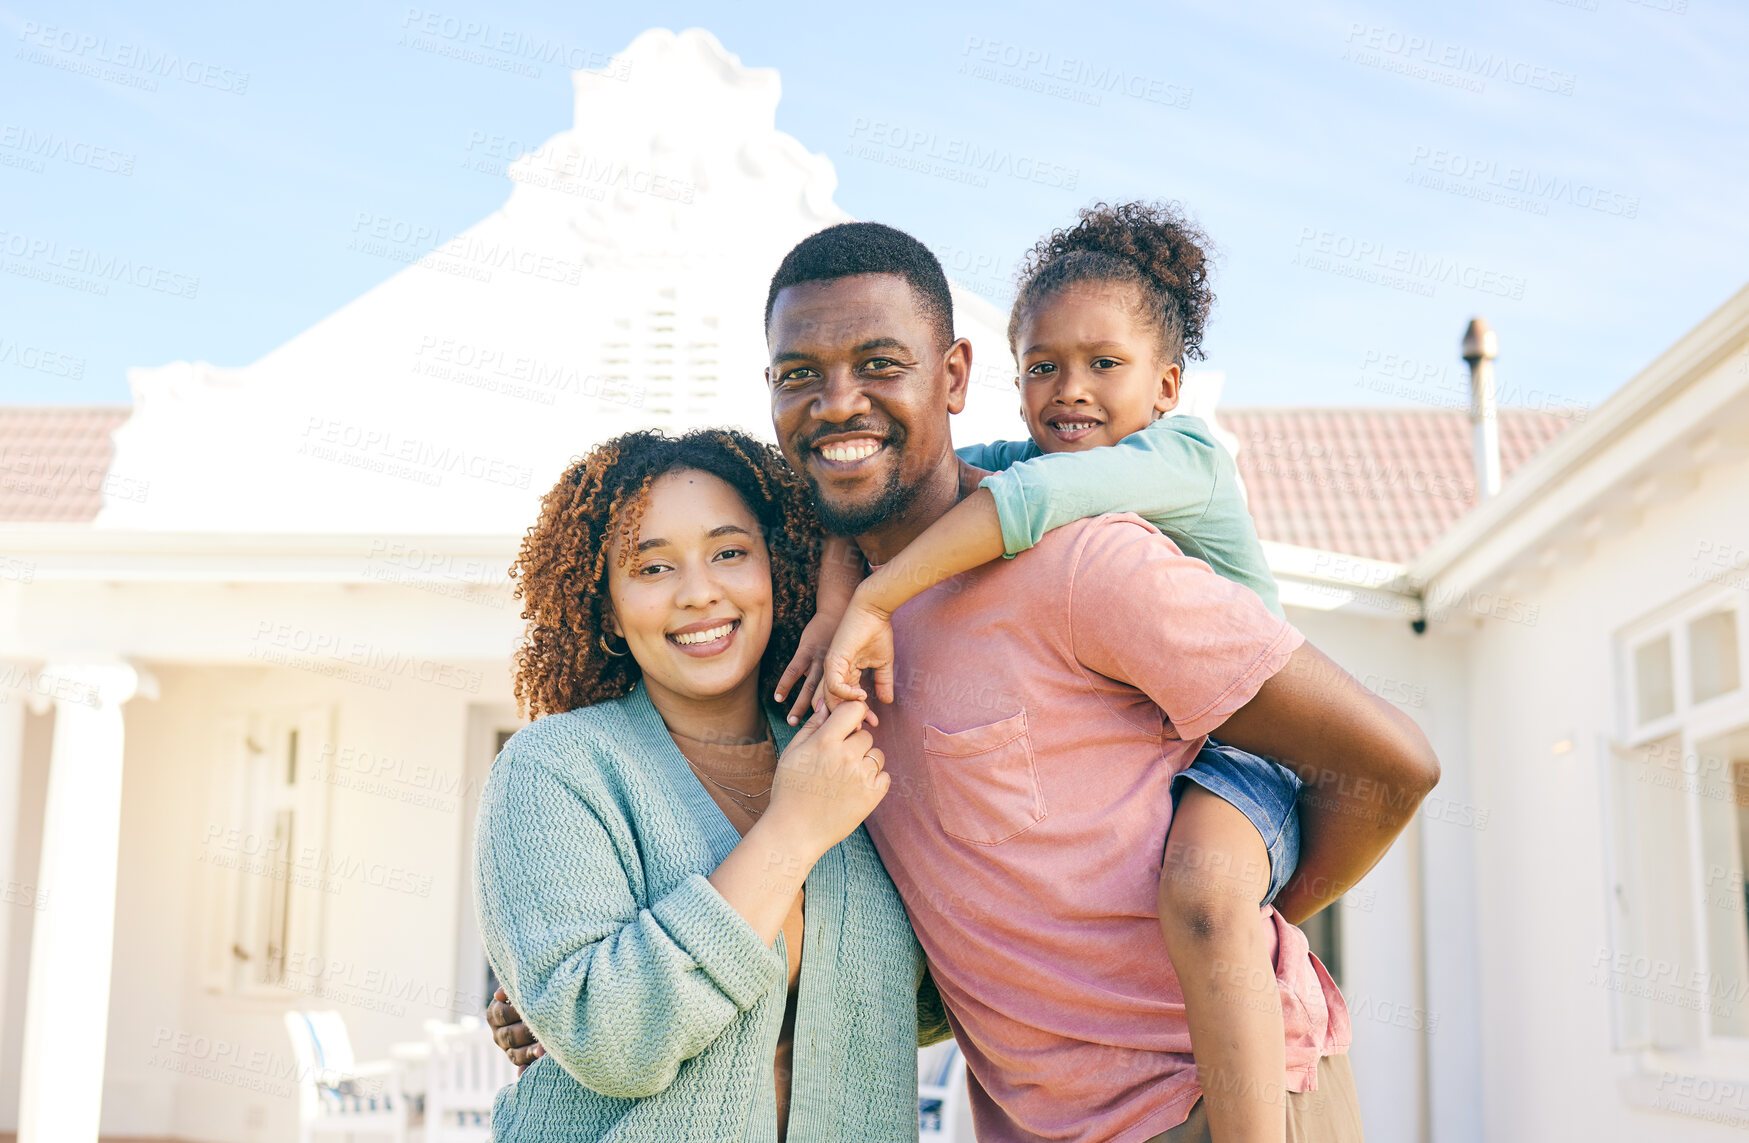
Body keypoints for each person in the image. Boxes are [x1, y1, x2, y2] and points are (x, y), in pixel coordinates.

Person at [760, 221, 1438, 1141]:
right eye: (799, 372)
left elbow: (1390, 763)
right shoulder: (816, 626)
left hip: (1214, 1106)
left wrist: (1245, 911)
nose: (838, 401)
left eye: (880, 363)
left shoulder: (1084, 558)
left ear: (953, 377)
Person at [472, 427, 948, 1141]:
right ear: (605, 600)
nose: (699, 593)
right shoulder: (554, 768)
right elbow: (612, 1039)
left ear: (776, 567)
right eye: (652, 566)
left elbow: (921, 998)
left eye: (729, 552)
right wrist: (794, 829)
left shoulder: (849, 749)